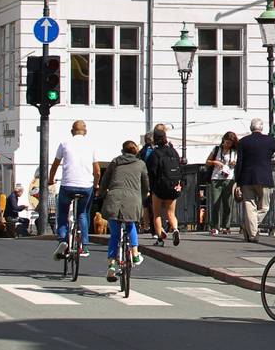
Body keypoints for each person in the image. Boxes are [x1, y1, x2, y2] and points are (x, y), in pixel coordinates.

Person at [234, 117, 275, 242]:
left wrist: (238, 180)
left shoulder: (243, 142)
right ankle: (252, 233)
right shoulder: (268, 140)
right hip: (264, 178)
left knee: (249, 205)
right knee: (265, 207)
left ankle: (250, 228)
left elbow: (239, 163)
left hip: (247, 178)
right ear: (261, 128)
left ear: (251, 128)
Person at [97, 141, 147, 283]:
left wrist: (101, 193)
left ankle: (112, 264)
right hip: (133, 199)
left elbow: (105, 180)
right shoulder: (141, 164)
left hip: (115, 198)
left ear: (122, 151)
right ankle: (135, 253)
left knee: (114, 234)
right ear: (136, 151)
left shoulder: (115, 162)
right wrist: (142, 196)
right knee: (130, 225)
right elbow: (145, 183)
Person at [49, 120, 100, 258]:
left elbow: (55, 165)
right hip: (86, 186)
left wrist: (50, 179)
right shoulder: (91, 146)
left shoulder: (64, 143)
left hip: (68, 185)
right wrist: (95, 185)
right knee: (83, 214)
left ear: (72, 131)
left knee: (63, 212)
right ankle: (84, 246)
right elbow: (97, 171)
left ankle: (62, 239)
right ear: (86, 132)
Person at [144, 127, 183, 247]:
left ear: (154, 140)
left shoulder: (155, 154)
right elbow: (180, 168)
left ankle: (160, 239)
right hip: (173, 186)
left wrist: (150, 188)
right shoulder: (173, 152)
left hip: (159, 188)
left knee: (157, 214)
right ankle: (175, 229)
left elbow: (152, 172)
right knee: (171, 213)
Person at [205, 132, 238, 235]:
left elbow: (239, 162)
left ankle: (226, 226)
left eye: (230, 143)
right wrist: (215, 162)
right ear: (223, 140)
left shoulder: (234, 151)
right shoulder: (216, 149)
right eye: (227, 142)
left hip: (229, 179)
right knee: (215, 203)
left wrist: (234, 163)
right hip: (216, 178)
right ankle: (214, 226)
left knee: (227, 203)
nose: (228, 145)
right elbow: (207, 161)